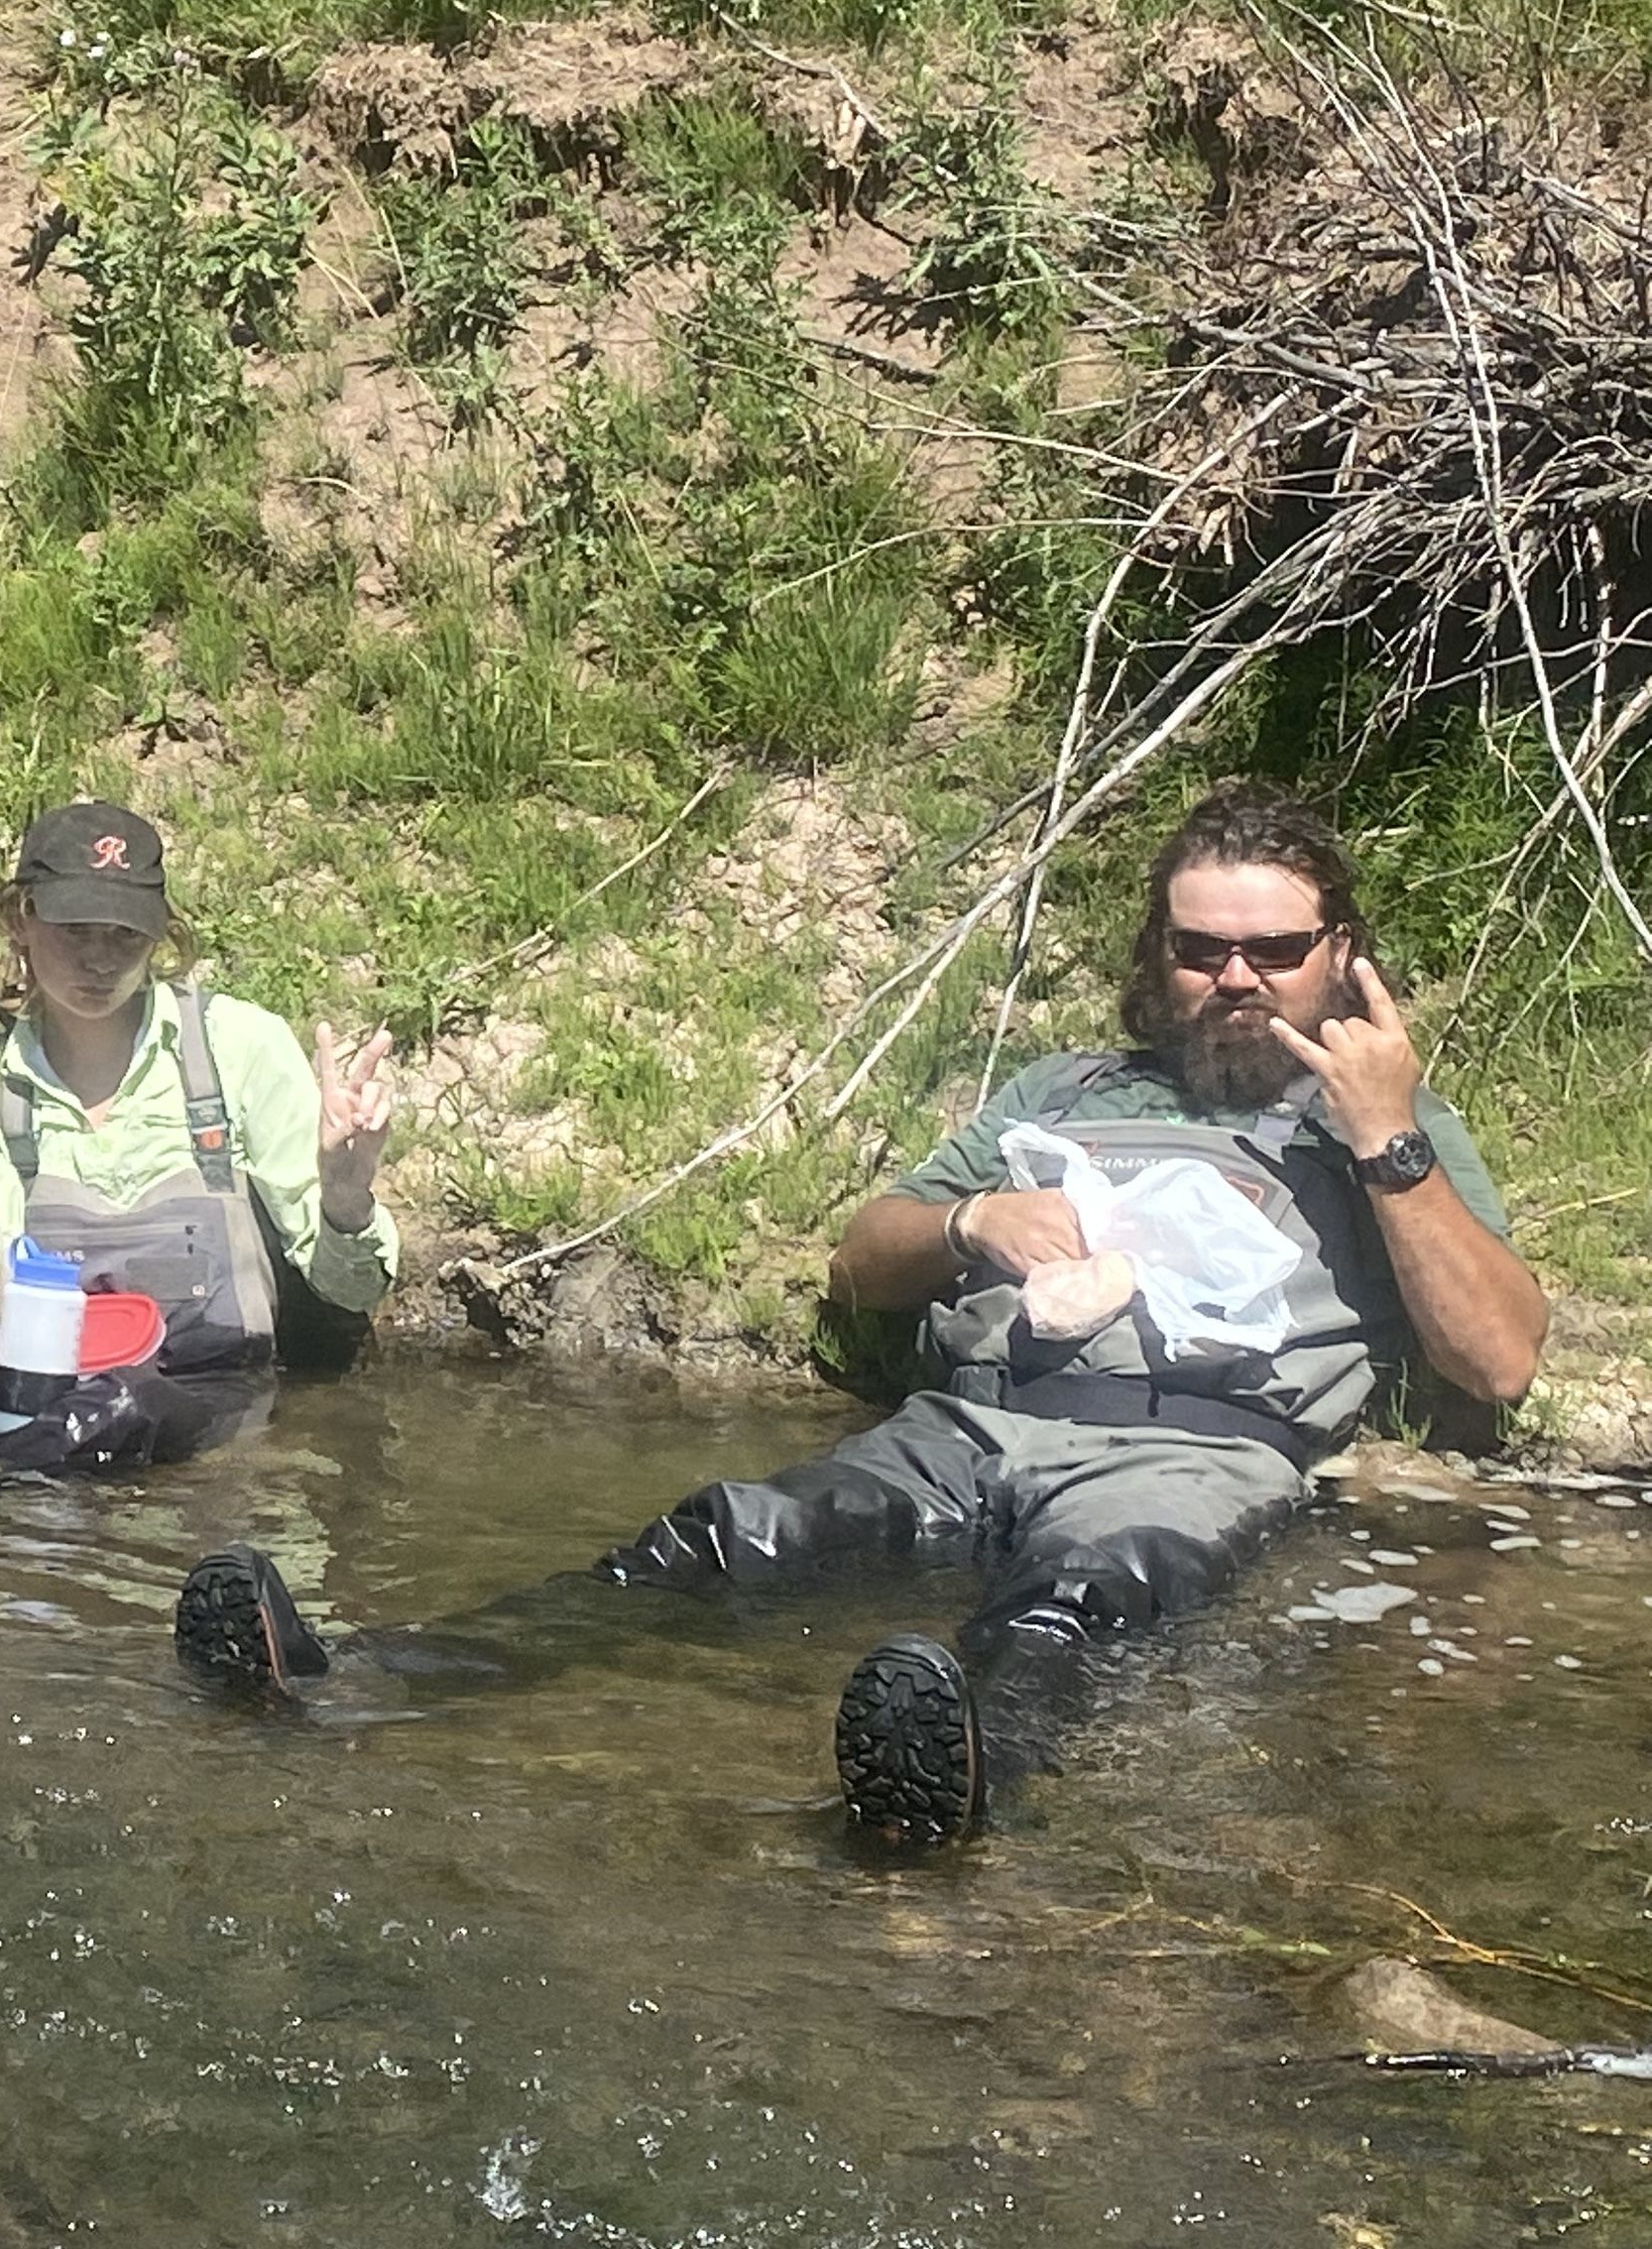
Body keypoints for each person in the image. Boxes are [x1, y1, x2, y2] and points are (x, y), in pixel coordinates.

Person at [171, 779, 1544, 1849]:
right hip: (975, 1425)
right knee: (716, 1537)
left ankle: (956, 1784)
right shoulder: (1063, 1093)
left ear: (1339, 956)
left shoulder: (1386, 1125)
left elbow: (1499, 1359)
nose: (1234, 979)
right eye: (1200, 948)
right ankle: (358, 1674)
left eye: (1273, 949)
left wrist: (1388, 1144)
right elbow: (857, 1261)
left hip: (1199, 1449)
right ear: (1161, 950)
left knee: (1081, 1611)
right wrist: (970, 1224)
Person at [0, 801, 400, 1487]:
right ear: (21, 921)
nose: (99, 960)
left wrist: (345, 1195)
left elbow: (352, 1288)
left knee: (121, 1402)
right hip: (42, 1397)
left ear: (160, 937)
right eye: (74, 930)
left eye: (125, 935)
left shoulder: (240, 1049)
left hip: (210, 1401)